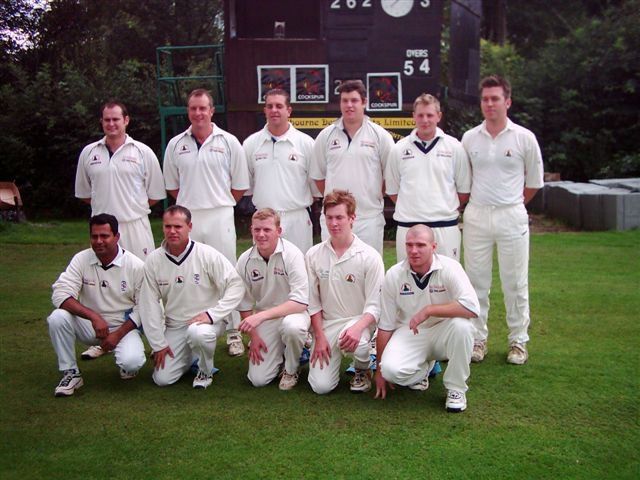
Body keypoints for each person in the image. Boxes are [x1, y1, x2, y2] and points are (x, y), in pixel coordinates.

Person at [461, 75, 544, 365]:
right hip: (477, 215)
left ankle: (518, 341)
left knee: (515, 282)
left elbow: (533, 183)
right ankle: (477, 339)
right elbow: (464, 180)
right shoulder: (470, 138)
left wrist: (512, 203)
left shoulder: (524, 138)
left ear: (507, 102)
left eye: (495, 98)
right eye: (485, 99)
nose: (490, 104)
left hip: (511, 215)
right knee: (476, 282)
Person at [163, 88, 250, 357]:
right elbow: (172, 186)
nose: (198, 113)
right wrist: (191, 207)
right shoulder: (176, 144)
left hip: (220, 215)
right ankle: (191, 327)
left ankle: (233, 332)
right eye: (193, 108)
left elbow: (239, 186)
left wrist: (218, 202)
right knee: (190, 273)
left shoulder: (229, 142)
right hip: (187, 218)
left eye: (203, 108)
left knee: (227, 273)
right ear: (188, 111)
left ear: (212, 111)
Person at [139, 206, 245, 389]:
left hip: (207, 322)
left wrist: (213, 314)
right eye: (168, 226)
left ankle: (205, 370)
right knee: (162, 379)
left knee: (198, 334)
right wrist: (158, 344)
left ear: (189, 227)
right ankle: (191, 357)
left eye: (178, 226)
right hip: (175, 325)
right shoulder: (154, 260)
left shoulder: (206, 254)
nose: (172, 231)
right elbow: (148, 303)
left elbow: (236, 285)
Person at [374, 225, 478, 412]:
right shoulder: (394, 274)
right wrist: (379, 370)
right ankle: (423, 370)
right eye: (409, 245)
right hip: (410, 332)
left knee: (463, 327)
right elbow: (386, 325)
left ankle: (456, 389)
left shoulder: (450, 267)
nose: (414, 251)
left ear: (433, 247)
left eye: (420, 245)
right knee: (390, 371)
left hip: (444, 331)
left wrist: (429, 310)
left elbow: (471, 307)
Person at [47, 214, 146, 397]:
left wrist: (117, 334)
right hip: (90, 325)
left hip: (122, 327)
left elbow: (144, 308)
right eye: (94, 236)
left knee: (131, 363)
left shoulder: (135, 266)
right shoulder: (81, 259)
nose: (99, 241)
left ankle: (126, 364)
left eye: (104, 236)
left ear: (117, 237)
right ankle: (71, 373)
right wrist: (93, 317)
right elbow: (60, 293)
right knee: (57, 317)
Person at [305, 190, 385, 394]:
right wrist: (319, 336)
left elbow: (375, 305)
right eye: (329, 218)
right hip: (327, 325)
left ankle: (362, 368)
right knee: (321, 387)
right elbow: (312, 302)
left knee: (360, 345)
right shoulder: (313, 255)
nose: (334, 223)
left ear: (352, 218)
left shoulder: (370, 256)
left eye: (339, 217)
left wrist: (358, 328)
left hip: (358, 323)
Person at [311, 80, 395, 254]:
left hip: (368, 219)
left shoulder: (380, 136)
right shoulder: (326, 136)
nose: (349, 105)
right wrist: (335, 203)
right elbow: (319, 177)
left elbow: (390, 177)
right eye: (345, 100)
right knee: (332, 267)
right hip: (334, 220)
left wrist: (371, 194)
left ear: (364, 102)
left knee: (368, 267)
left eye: (354, 100)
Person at [75, 101, 165, 260]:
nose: (111, 124)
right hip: (102, 229)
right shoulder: (88, 152)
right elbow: (85, 193)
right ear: (101, 121)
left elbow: (155, 194)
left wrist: (131, 208)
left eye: (115, 119)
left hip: (135, 226)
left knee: (141, 272)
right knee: (103, 273)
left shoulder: (143, 152)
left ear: (126, 120)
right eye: (107, 120)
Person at [385, 94, 470, 262]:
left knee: (446, 277)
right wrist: (414, 210)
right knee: (409, 278)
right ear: (414, 117)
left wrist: (441, 209)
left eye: (430, 115)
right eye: (420, 115)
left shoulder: (455, 147)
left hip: (445, 228)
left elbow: (463, 191)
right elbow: (393, 191)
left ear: (439, 116)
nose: (425, 120)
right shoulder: (398, 150)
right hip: (409, 228)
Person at [236, 209, 310, 390]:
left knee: (292, 328)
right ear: (251, 230)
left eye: (267, 230)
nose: (261, 235)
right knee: (258, 380)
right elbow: (244, 302)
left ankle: (292, 368)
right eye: (257, 229)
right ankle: (286, 351)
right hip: (266, 319)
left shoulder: (292, 255)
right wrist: (254, 336)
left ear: (279, 231)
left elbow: (300, 302)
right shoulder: (245, 260)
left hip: (295, 314)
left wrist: (260, 317)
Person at [242, 89, 317, 253]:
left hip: (297, 217)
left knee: (300, 265)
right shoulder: (250, 144)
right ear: (265, 110)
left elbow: (315, 187)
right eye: (270, 106)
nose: (274, 110)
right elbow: (248, 186)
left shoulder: (306, 143)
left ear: (288, 110)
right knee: (264, 266)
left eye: (279, 106)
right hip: (264, 219)